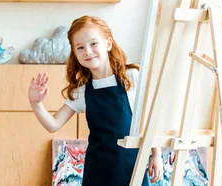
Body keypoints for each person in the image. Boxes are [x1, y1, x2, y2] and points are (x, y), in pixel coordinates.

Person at [28, 15, 162, 186]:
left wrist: (156, 154)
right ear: (75, 54)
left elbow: (149, 119)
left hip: (132, 167)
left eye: (93, 44)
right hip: (97, 171)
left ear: (108, 43)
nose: (88, 52)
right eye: (80, 47)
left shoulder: (131, 78)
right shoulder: (82, 91)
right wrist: (36, 103)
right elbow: (53, 124)